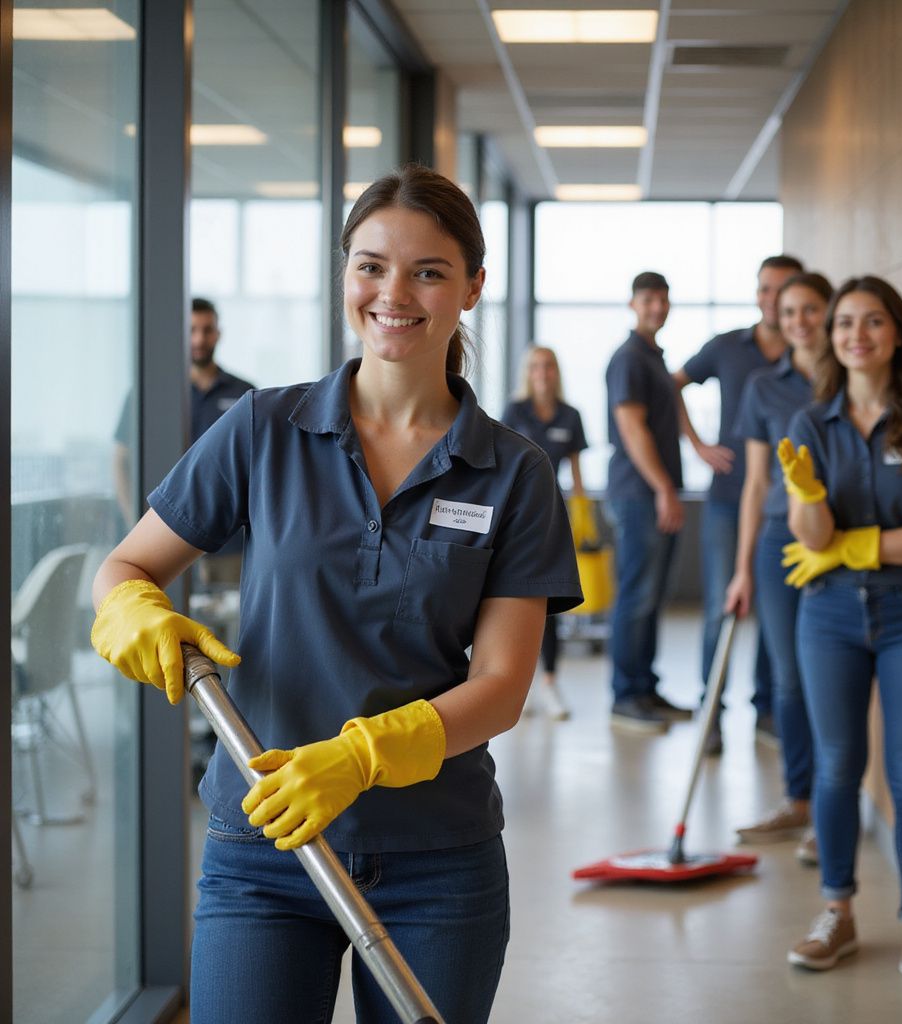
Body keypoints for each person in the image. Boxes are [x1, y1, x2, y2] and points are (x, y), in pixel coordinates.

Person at [90, 165, 582, 1024]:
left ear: (473, 285)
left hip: (438, 859)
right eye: (371, 265)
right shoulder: (262, 429)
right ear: (345, 274)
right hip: (264, 844)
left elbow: (503, 687)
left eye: (428, 270)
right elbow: (127, 566)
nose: (394, 292)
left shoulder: (515, 472)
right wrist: (129, 607)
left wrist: (360, 756)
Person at [780, 276, 902, 1003]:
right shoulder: (809, 427)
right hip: (828, 616)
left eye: (872, 321)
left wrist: (859, 546)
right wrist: (808, 497)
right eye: (843, 324)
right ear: (830, 340)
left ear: (897, 333)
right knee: (836, 768)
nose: (856, 334)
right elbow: (813, 538)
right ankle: (837, 913)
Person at [674, 253, 805, 754]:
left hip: (790, 511)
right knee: (721, 608)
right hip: (731, 500)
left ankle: (769, 709)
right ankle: (712, 713)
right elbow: (673, 384)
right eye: (765, 289)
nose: (772, 299)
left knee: (778, 613)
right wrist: (699, 444)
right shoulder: (728, 347)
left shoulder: (809, 356)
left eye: (783, 290)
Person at [724, 273, 833, 863]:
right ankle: (801, 802)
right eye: (789, 310)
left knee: (829, 677)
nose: (799, 320)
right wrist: (741, 569)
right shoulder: (765, 388)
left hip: (839, 544)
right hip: (775, 545)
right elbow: (756, 483)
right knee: (789, 678)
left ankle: (832, 807)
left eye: (810, 309)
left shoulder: (850, 380)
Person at [605, 271, 692, 734]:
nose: (656, 306)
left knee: (652, 597)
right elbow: (633, 431)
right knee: (636, 597)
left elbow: (674, 410)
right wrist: (663, 489)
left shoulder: (654, 357)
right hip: (638, 495)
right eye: (648, 298)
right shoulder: (629, 359)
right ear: (633, 303)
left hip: (654, 493)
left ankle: (645, 686)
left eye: (663, 298)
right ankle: (625, 696)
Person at [113, 297, 254, 585]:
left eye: (206, 330)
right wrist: (136, 524)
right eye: (192, 330)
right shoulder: (150, 392)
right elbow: (121, 460)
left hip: (230, 548)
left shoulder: (246, 394)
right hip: (164, 540)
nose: (199, 339)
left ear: (218, 333)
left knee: (229, 627)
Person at [502, 346, 587, 720]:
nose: (542, 372)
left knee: (549, 603)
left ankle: (549, 683)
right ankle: (507, 687)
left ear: (556, 371)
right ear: (527, 372)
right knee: (510, 601)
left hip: (553, 516)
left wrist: (585, 518)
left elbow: (577, 472)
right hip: (513, 518)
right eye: (535, 366)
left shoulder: (571, 415)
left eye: (549, 365)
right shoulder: (514, 412)